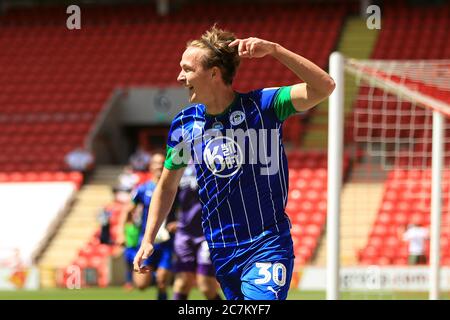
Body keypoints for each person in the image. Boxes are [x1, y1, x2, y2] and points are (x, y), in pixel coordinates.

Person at [133, 25, 335, 300]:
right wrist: (148, 238)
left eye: (188, 69)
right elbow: (167, 187)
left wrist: (275, 50)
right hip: (221, 249)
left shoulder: (264, 106)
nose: (180, 77)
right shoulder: (185, 125)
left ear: (214, 73)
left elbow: (325, 86)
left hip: (267, 243)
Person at [119, 151, 177, 299]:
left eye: (162, 162)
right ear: (150, 166)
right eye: (156, 163)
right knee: (141, 284)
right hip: (147, 240)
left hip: (166, 241)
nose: (159, 166)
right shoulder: (143, 189)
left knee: (163, 280)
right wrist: (122, 233)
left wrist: (178, 223)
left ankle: (161, 286)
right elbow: (128, 211)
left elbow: (185, 209)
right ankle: (155, 274)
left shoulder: (175, 187)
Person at [172, 164, 222, 300]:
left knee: (205, 285)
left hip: (207, 233)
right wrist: (170, 220)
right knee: (182, 283)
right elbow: (169, 193)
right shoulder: (179, 161)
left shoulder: (214, 160)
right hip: (184, 234)